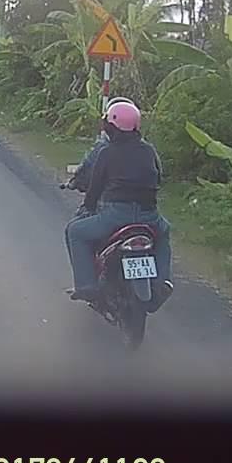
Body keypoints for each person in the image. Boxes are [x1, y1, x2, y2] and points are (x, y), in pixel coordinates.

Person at [64, 100, 173, 309]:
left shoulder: (106, 152)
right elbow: (158, 178)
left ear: (111, 127)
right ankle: (163, 281)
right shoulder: (148, 150)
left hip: (115, 216)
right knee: (164, 233)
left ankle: (87, 286)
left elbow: (95, 187)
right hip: (149, 215)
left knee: (75, 231)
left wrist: (88, 207)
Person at [66, 96, 135, 193]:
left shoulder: (104, 148)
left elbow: (88, 172)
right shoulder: (147, 150)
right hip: (145, 201)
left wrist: (75, 182)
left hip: (112, 199)